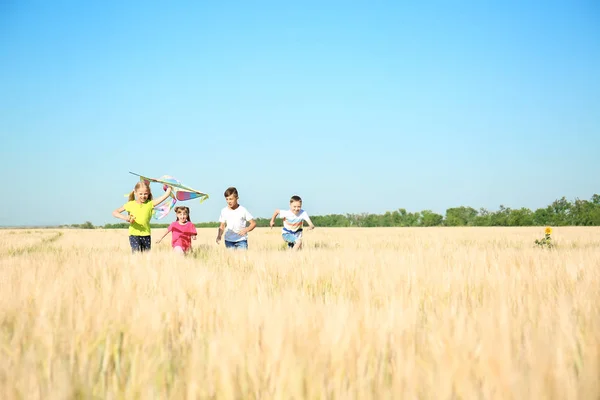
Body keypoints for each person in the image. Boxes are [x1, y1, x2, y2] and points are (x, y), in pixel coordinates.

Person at [112, 181, 172, 253]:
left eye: (145, 194)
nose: (143, 196)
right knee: (136, 254)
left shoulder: (150, 203)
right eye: (140, 194)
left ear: (149, 193)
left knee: (146, 256)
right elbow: (115, 212)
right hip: (134, 234)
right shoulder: (130, 204)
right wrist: (125, 218)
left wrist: (168, 187)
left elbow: (165, 196)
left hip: (146, 234)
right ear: (135, 192)